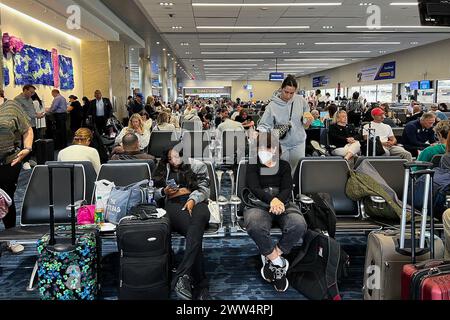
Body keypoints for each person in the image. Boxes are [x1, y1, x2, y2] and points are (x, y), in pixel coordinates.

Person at [244, 132, 307, 292]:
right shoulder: (253, 164)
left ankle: (270, 256)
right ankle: (278, 263)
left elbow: (287, 188)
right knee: (255, 225)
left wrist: (278, 200)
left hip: (283, 202)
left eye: (268, 148)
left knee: (298, 224)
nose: (264, 151)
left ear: (275, 150)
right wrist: (271, 200)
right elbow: (254, 187)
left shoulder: (284, 165)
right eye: (261, 148)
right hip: (258, 203)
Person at [153, 145, 212, 300]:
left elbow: (205, 190)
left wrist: (192, 199)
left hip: (198, 202)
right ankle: (202, 285)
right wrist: (163, 192)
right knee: (194, 232)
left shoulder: (198, 166)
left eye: (177, 157)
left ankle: (182, 275)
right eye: (170, 158)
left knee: (196, 224)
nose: (174, 161)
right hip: (174, 205)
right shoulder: (161, 168)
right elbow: (152, 192)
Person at [258, 75, 313, 174]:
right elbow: (264, 125)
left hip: (298, 142)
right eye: (286, 92)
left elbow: (306, 117)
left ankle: (294, 189)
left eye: (292, 93)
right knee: (282, 170)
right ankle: (284, 189)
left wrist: (307, 120)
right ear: (281, 89)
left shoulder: (301, 101)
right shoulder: (272, 106)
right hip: (281, 143)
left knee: (297, 170)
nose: (288, 96)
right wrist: (260, 134)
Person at [0, 100, 33, 254]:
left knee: (7, 198)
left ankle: (11, 238)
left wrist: (27, 148)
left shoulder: (11, 107)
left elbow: (27, 129)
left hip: (9, 161)